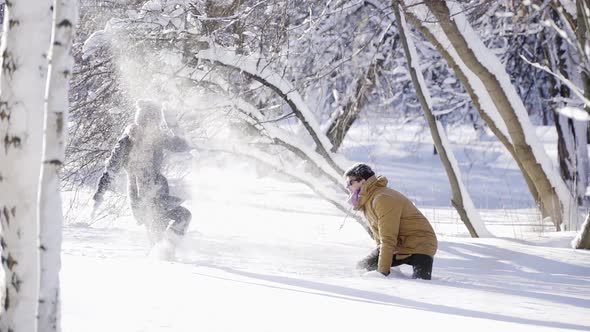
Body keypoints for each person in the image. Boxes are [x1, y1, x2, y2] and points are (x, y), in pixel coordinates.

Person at [92, 100, 192, 257]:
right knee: (158, 239)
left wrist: (172, 124)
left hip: (158, 194)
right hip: (142, 198)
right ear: (144, 121)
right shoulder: (127, 142)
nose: (156, 126)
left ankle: (165, 252)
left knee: (182, 217)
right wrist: (99, 194)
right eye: (153, 121)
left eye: (158, 122)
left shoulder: (157, 138)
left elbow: (183, 145)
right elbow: (111, 169)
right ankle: (161, 258)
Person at [345, 163, 437, 279]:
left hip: (422, 244)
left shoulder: (382, 198)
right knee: (362, 267)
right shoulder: (369, 200)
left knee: (421, 285)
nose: (347, 187)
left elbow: (388, 238)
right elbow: (380, 238)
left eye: (350, 183)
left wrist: (382, 273)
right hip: (399, 245)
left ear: (362, 181)